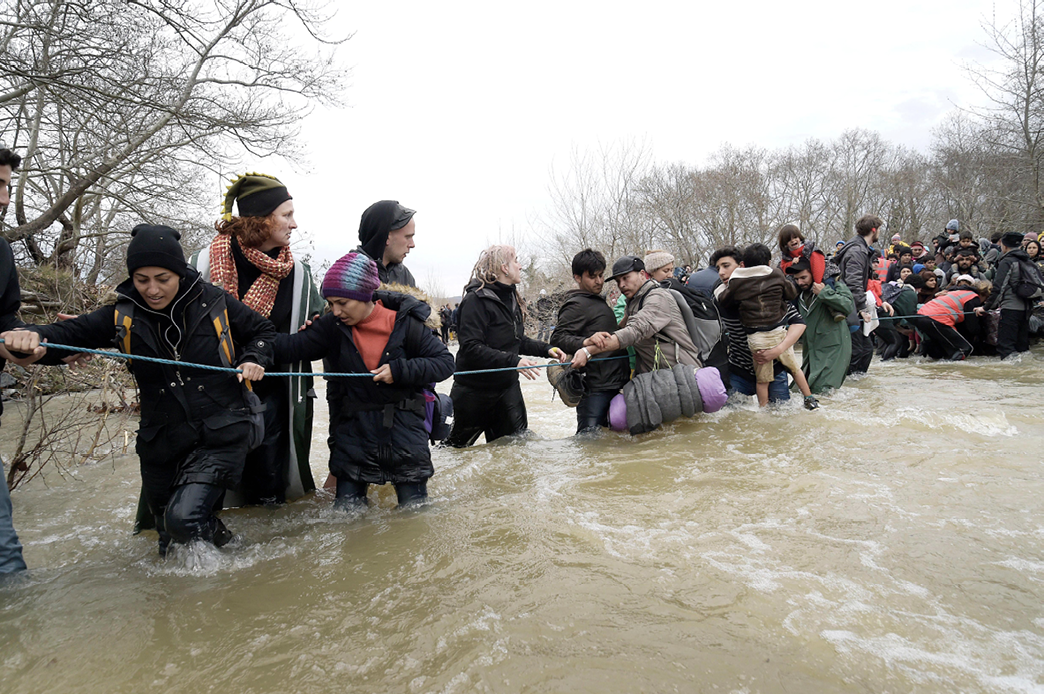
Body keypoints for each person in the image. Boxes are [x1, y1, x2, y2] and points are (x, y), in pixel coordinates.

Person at [2, 225, 276, 556]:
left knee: (184, 521)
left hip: (221, 432)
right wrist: (28, 336)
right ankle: (226, 568)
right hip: (161, 440)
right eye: (141, 279)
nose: (152, 289)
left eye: (162, 278)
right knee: (167, 541)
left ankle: (232, 566)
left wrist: (252, 358)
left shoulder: (215, 302)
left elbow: (263, 331)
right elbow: (64, 335)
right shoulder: (121, 314)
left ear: (179, 273)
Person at [273, 252, 453, 508]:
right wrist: (251, 344)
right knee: (347, 516)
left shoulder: (407, 323)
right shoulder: (331, 327)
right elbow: (289, 348)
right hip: (353, 435)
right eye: (330, 303)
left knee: (414, 514)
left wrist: (399, 370)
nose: (335, 311)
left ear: (365, 295)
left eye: (342, 302)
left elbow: (445, 363)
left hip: (405, 434)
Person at [192, 172, 322, 507]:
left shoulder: (299, 274)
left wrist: (317, 326)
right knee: (209, 488)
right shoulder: (202, 265)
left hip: (275, 391)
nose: (294, 224)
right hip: (215, 392)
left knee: (269, 490)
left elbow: (324, 333)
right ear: (260, 220)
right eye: (286, 215)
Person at [447, 245, 567, 447]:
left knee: (517, 450)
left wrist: (546, 350)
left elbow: (517, 341)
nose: (520, 266)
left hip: (507, 390)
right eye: (516, 261)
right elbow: (471, 348)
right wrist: (515, 361)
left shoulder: (512, 298)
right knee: (454, 453)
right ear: (504, 267)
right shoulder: (475, 300)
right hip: (472, 393)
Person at [715, 244, 818, 409]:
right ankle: (808, 399)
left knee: (780, 420)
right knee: (731, 419)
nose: (721, 272)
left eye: (726, 266)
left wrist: (777, 350)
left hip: (775, 368)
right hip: (739, 370)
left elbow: (798, 323)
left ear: (742, 266)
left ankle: (807, 399)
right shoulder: (719, 297)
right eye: (718, 268)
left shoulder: (772, 295)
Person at [571, 255, 701, 375]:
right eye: (618, 281)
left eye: (626, 278)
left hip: (683, 373)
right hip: (658, 376)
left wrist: (588, 351)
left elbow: (635, 330)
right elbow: (618, 331)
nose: (621, 285)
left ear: (642, 274)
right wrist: (585, 342)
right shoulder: (634, 301)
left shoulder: (657, 298)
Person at [550, 249, 630, 433]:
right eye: (592, 276)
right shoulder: (576, 304)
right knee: (589, 442)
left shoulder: (596, 301)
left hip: (614, 383)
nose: (599, 281)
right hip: (595, 389)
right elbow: (557, 338)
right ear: (577, 277)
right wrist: (585, 342)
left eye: (601, 275)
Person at [0, 148, 27, 574]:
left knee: (6, 559)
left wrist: (55, 347)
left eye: (6, 186)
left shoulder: (2, 253)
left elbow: (6, 323)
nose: (4, 198)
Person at [787, 257, 855, 392]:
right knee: (797, 392)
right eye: (796, 279)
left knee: (824, 392)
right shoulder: (799, 296)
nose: (800, 282)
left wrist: (824, 293)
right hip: (811, 352)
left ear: (814, 273)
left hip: (834, 350)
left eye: (803, 277)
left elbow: (848, 305)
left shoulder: (834, 285)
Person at [835, 214, 883, 374]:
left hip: (852, 305)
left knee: (866, 350)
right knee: (858, 351)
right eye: (879, 230)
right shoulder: (857, 251)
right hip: (850, 306)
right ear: (874, 230)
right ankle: (847, 385)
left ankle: (858, 386)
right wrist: (862, 308)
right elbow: (853, 282)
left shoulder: (859, 248)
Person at [980, 231, 1034, 359]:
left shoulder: (1007, 261)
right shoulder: (1028, 261)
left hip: (1010, 309)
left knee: (1006, 346)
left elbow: (999, 287)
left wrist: (986, 307)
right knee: (1022, 347)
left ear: (1004, 246)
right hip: (1027, 309)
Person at [912, 282, 989, 360]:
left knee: (943, 350)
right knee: (964, 348)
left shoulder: (956, 291)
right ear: (984, 295)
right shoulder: (973, 297)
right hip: (936, 319)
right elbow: (972, 326)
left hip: (921, 316)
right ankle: (951, 370)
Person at [354, 200, 418, 286]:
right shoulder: (347, 273)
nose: (412, 244)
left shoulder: (405, 277)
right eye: (408, 237)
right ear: (387, 236)